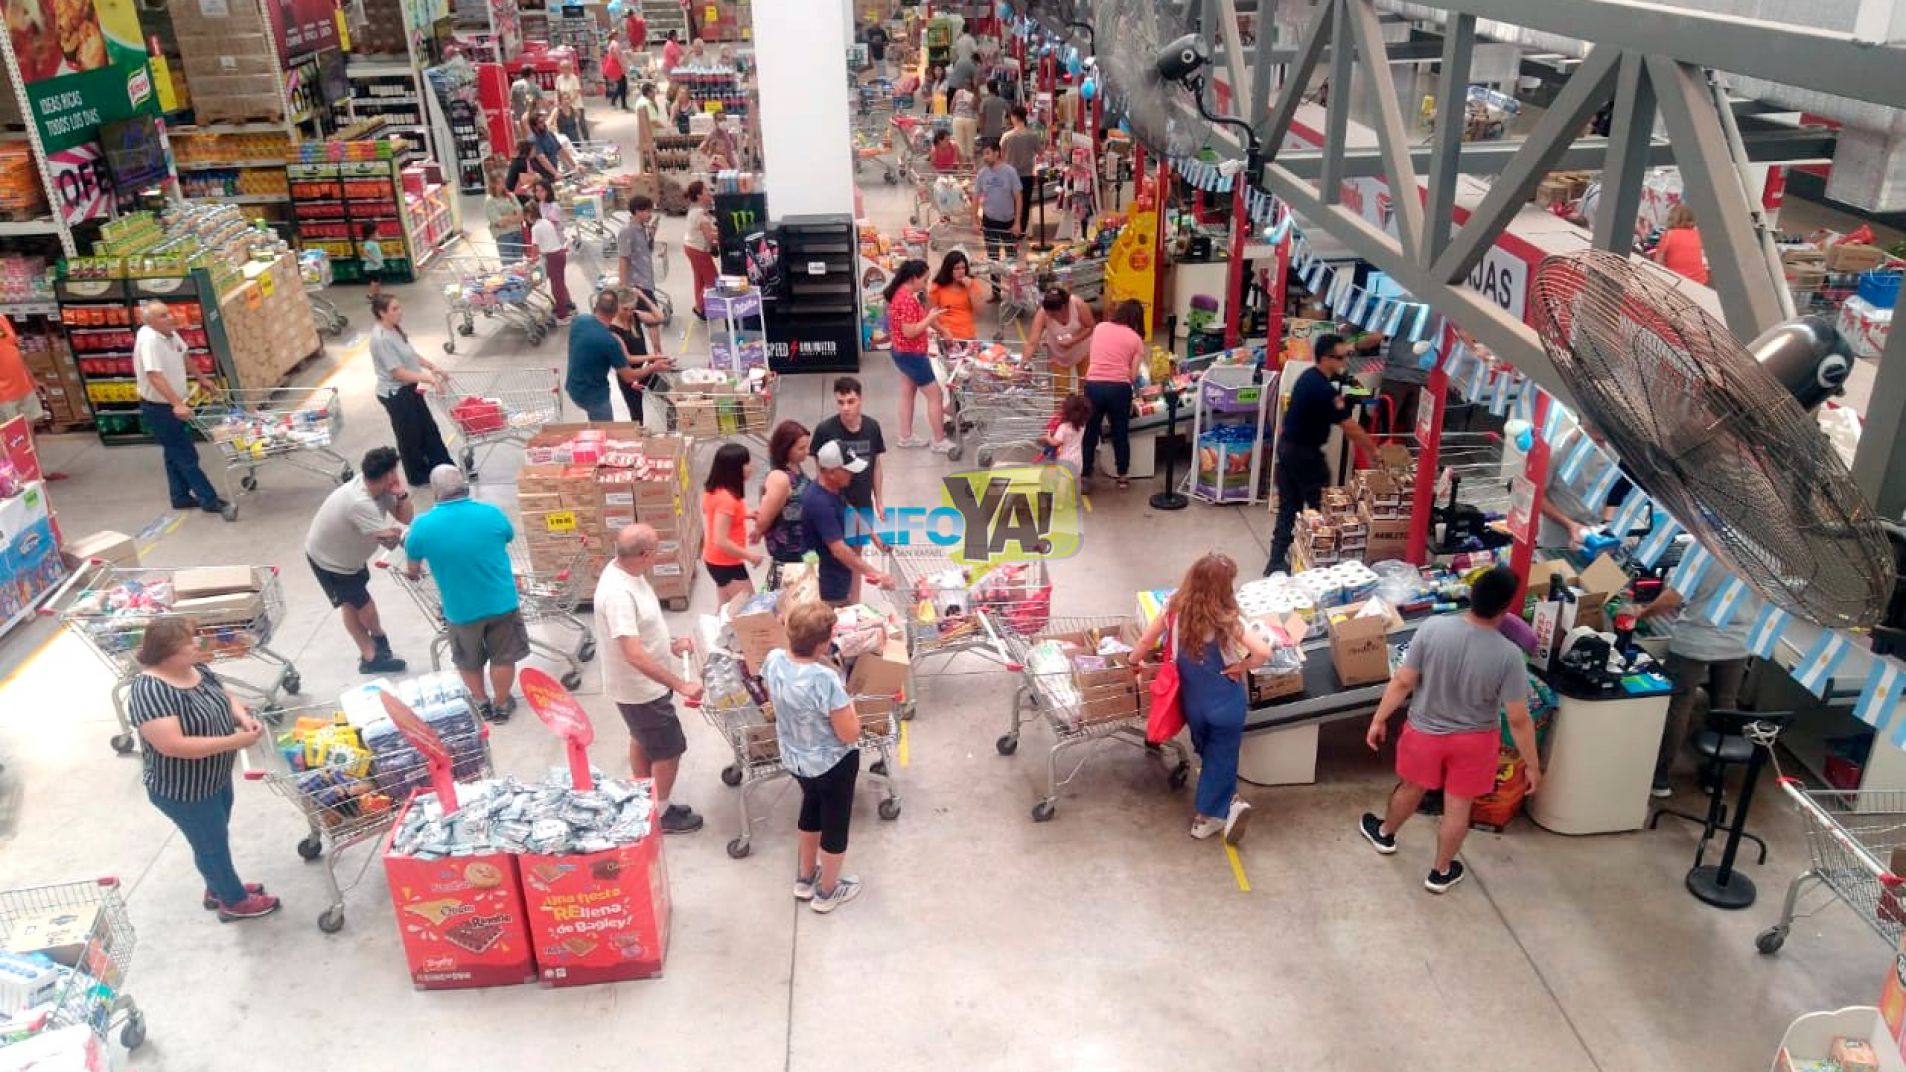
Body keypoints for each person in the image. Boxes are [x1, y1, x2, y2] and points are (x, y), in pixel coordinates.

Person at [1360, 566, 1542, 894]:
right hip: (1475, 743)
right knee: (1458, 806)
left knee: (1411, 788)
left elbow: (1403, 681)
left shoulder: (1433, 629)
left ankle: (1386, 833)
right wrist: (1531, 764)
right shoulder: (1509, 656)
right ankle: (1440, 871)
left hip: (1425, 733)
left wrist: (1378, 719)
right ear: (1504, 609)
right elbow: (1518, 718)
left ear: (1471, 597)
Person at [128, 618, 280, 921]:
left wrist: (241, 717)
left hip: (215, 777)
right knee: (211, 846)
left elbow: (225, 696)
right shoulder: (150, 691)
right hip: (184, 790)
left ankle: (218, 885)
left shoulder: (195, 669)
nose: (197, 646)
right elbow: (173, 745)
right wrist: (233, 741)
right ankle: (233, 901)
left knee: (215, 836)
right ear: (167, 654)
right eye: (188, 644)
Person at [1129, 553, 1271, 843]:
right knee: (1223, 756)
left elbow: (1146, 641)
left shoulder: (1173, 608)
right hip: (1225, 701)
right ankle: (1207, 817)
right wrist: (1240, 666)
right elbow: (1263, 653)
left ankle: (1222, 796)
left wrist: (1133, 661)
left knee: (1208, 751)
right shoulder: (1227, 621)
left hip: (1193, 702)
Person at [594, 523, 704, 834]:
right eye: (656, 548)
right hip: (640, 689)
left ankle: (646, 800)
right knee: (669, 750)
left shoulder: (627, 573)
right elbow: (633, 653)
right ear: (644, 554)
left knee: (642, 739)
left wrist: (669, 645)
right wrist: (680, 683)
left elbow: (642, 632)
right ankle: (661, 815)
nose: (658, 554)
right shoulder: (618, 593)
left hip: (643, 686)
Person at [763, 601, 866, 913]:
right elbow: (848, 733)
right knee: (835, 822)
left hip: (796, 758)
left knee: (811, 808)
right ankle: (827, 891)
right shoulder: (824, 680)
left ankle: (806, 876)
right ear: (823, 642)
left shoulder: (774, 660)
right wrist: (853, 709)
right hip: (832, 763)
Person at [404, 465, 527, 724]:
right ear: (463, 485)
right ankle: (502, 703)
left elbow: (412, 569)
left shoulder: (422, 526)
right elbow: (507, 536)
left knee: (468, 659)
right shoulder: (490, 513)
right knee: (503, 656)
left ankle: (482, 702)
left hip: (461, 609)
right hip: (501, 602)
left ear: (435, 492)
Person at [1264, 332, 1379, 575]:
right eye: (1340, 358)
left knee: (1289, 508)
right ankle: (1322, 560)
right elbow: (1350, 427)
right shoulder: (1322, 389)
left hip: (1288, 450)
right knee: (1325, 508)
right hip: (1306, 456)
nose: (1343, 363)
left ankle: (1276, 562)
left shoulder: (1308, 377)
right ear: (1326, 359)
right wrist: (1374, 451)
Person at [1637, 559, 1753, 797]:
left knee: (1679, 705)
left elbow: (1673, 598)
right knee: (1725, 705)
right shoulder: (1764, 552)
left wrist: (1642, 614)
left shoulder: (1705, 547)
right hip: (1739, 642)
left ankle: (1660, 778)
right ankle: (1714, 778)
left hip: (1694, 639)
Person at [304, 446, 411, 675]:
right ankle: (372, 654)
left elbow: (405, 517)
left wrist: (401, 495)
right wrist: (408, 538)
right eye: (395, 471)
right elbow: (390, 541)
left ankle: (373, 646)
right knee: (364, 607)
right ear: (388, 475)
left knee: (351, 604)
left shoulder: (379, 489)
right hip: (330, 562)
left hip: (349, 558)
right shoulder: (359, 502)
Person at [134, 300, 226, 514]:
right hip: (159, 408)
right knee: (186, 455)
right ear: (149, 322)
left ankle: (180, 497)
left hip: (172, 404)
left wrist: (202, 378)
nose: (171, 318)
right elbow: (154, 375)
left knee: (173, 452)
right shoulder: (149, 341)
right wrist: (176, 403)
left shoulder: (169, 334)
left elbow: (183, 355)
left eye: (169, 313)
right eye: (163, 316)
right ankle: (209, 500)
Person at [368, 295, 454, 487]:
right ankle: (418, 475)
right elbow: (398, 373)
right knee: (410, 436)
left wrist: (432, 366)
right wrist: (429, 379)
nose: (400, 312)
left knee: (429, 429)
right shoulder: (381, 339)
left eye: (399, 307)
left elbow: (410, 355)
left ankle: (443, 466)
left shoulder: (394, 329)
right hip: (396, 394)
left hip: (410, 388)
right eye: (395, 309)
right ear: (382, 313)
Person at [801, 440, 892, 605]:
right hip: (828, 589)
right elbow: (839, 550)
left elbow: (848, 510)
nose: (852, 474)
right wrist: (876, 574)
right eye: (848, 470)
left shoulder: (832, 488)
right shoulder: (820, 503)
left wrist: (873, 536)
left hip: (841, 578)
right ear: (831, 472)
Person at [881, 261, 953, 454]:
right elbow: (910, 331)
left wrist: (941, 328)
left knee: (907, 392)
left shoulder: (901, 295)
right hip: (912, 355)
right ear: (913, 278)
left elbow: (918, 319)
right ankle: (939, 440)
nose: (926, 284)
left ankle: (905, 436)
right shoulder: (907, 300)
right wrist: (929, 321)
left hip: (900, 352)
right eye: (924, 280)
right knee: (935, 395)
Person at [1081, 299, 1147, 491]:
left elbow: (1095, 355)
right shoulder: (1136, 339)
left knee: (1091, 432)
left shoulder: (1100, 328)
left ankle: (1085, 474)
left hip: (1093, 386)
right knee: (1120, 432)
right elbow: (1133, 376)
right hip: (1119, 389)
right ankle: (1122, 476)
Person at [811, 376, 887, 521]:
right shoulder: (824, 430)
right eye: (841, 402)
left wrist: (879, 501)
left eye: (851, 402)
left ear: (860, 400)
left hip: (864, 502)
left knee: (860, 542)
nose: (845, 408)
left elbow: (876, 466)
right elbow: (820, 472)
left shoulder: (872, 427)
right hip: (836, 505)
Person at [568, 289, 650, 421]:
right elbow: (629, 377)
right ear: (616, 311)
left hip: (573, 386)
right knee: (605, 430)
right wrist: (653, 367)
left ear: (596, 306)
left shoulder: (579, 321)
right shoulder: (610, 341)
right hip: (594, 395)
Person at [701, 442, 763, 602]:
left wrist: (745, 514)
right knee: (747, 608)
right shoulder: (727, 500)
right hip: (725, 563)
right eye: (747, 463)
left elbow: (712, 512)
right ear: (736, 468)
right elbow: (720, 541)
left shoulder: (715, 491)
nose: (751, 466)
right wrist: (750, 556)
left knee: (726, 609)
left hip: (717, 561)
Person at [753, 420, 812, 585]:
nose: (806, 452)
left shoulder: (795, 466)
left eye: (807, 446)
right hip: (788, 550)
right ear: (786, 448)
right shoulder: (779, 478)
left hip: (801, 547)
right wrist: (758, 530)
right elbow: (765, 517)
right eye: (801, 448)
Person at [606, 286, 671, 426]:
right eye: (625, 309)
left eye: (632, 308)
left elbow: (659, 317)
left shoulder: (635, 316)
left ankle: (674, 423)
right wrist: (653, 357)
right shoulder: (612, 330)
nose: (629, 312)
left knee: (670, 396)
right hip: (630, 376)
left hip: (647, 369)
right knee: (636, 417)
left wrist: (642, 296)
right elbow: (627, 358)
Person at [1024, 285, 1094, 396]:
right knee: (1060, 393)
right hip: (1058, 356)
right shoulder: (1043, 313)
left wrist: (1073, 341)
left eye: (1053, 314)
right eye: (1048, 313)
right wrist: (1022, 365)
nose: (1049, 316)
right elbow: (1032, 342)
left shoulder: (1078, 305)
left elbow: (1090, 327)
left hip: (1082, 352)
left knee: (1086, 389)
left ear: (1063, 307)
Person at [616, 194, 665, 351]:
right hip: (637, 284)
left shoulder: (642, 228)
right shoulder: (627, 231)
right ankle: (658, 354)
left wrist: (652, 234)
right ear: (637, 211)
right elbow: (623, 258)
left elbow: (645, 250)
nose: (650, 214)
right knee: (653, 320)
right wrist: (624, 287)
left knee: (646, 320)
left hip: (646, 279)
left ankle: (657, 353)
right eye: (646, 211)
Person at [973, 141, 1022, 265]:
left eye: (988, 153)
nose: (985, 157)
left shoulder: (1010, 172)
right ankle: (995, 284)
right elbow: (975, 197)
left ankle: (1012, 284)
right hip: (989, 221)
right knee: (993, 260)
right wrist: (974, 220)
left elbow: (1018, 197)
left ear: (997, 153)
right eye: (983, 154)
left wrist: (1017, 222)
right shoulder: (982, 174)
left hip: (1008, 222)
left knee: (1011, 259)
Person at [529, 189, 574, 319]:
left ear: (529, 215)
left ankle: (562, 315)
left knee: (556, 287)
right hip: (560, 254)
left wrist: (531, 261)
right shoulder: (546, 222)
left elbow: (535, 247)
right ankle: (566, 306)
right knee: (560, 283)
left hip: (552, 257)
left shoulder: (535, 228)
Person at [1000, 105, 1041, 235]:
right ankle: (1021, 231)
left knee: (1010, 204)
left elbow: (1001, 155)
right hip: (1027, 176)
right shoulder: (1033, 135)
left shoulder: (1007, 136)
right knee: (1024, 205)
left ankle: (1010, 230)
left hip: (1009, 176)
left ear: (1014, 117)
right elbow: (1040, 152)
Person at [927, 250, 985, 341]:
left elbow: (980, 312)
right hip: (946, 335)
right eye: (956, 268)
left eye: (963, 268)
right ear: (948, 270)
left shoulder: (971, 284)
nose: (961, 272)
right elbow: (929, 315)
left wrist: (970, 289)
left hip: (967, 335)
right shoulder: (938, 286)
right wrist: (942, 331)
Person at [683, 180, 721, 319]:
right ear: (699, 195)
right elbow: (710, 237)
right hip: (699, 250)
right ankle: (699, 307)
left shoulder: (694, 210)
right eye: (705, 190)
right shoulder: (701, 215)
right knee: (713, 280)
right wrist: (720, 239)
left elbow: (707, 231)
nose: (709, 192)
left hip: (689, 247)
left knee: (699, 278)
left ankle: (703, 307)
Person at [1652, 203, 1709, 285]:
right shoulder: (1697, 234)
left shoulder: (1669, 235)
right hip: (1700, 280)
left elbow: (1657, 262)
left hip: (1677, 281)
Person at [484, 170, 527, 263]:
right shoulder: (490, 201)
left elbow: (521, 216)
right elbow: (500, 222)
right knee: (509, 266)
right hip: (503, 236)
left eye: (503, 182)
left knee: (520, 264)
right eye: (498, 183)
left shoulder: (511, 196)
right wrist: (513, 217)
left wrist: (507, 218)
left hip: (517, 233)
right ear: (492, 184)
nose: (502, 186)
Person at [949, 83, 979, 160]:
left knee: (959, 145)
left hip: (958, 119)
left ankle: (961, 167)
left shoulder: (958, 92)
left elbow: (951, 108)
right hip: (971, 120)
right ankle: (970, 166)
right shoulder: (975, 94)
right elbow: (976, 108)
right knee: (970, 145)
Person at [603, 41, 629, 110]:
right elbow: (619, 58)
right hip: (617, 68)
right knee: (622, 87)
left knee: (621, 87)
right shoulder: (615, 45)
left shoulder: (611, 45)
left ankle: (615, 101)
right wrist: (624, 67)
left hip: (616, 68)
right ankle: (621, 103)